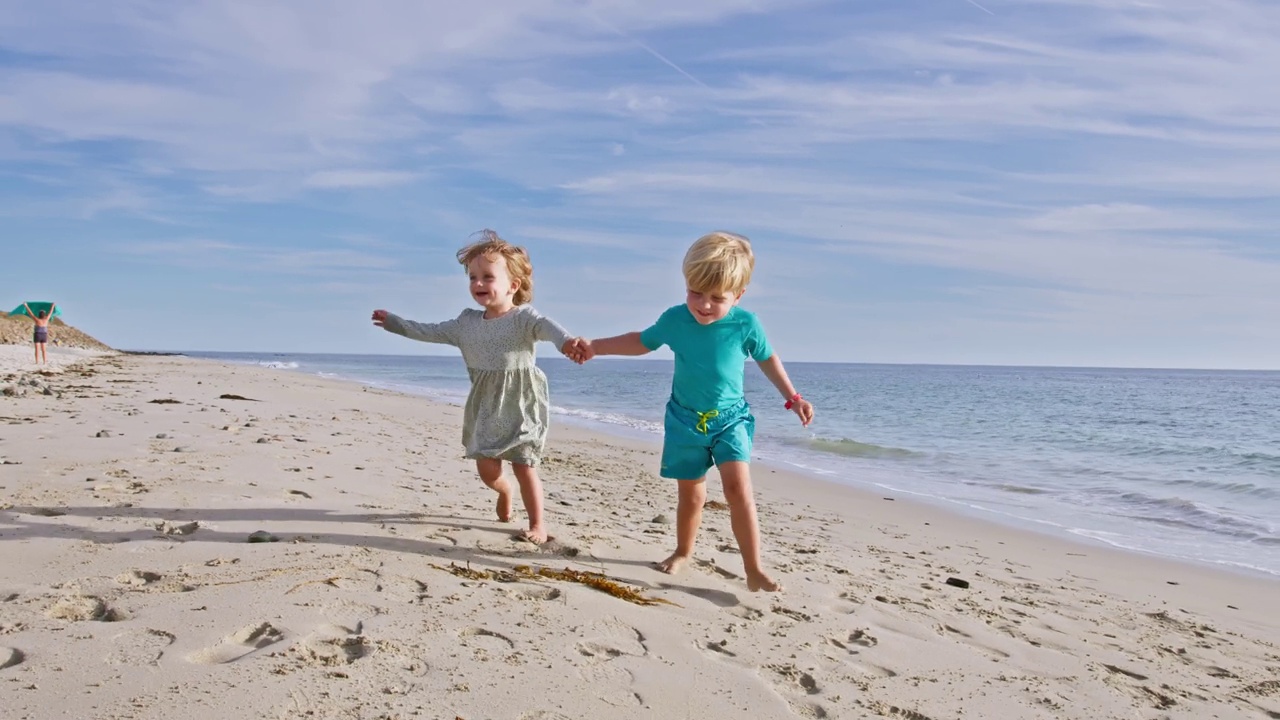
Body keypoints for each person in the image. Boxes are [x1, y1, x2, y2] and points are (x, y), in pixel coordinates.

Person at [570, 232, 814, 592]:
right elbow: (641, 341)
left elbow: (767, 359)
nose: (703, 305)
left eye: (717, 298)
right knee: (692, 495)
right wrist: (595, 347)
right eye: (695, 292)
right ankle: (684, 551)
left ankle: (754, 567)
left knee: (737, 489)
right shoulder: (675, 319)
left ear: (739, 295)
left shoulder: (746, 324)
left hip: (730, 419)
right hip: (685, 420)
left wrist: (793, 397)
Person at [372, 231, 582, 544]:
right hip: (485, 405)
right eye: (472, 277)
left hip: (522, 402)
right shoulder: (465, 324)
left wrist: (568, 343)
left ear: (513, 285)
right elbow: (429, 331)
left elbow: (549, 329)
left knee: (525, 464)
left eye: (487, 276)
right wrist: (395, 323)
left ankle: (538, 524)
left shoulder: (524, 318)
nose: (478, 284)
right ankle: (505, 492)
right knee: (487, 470)